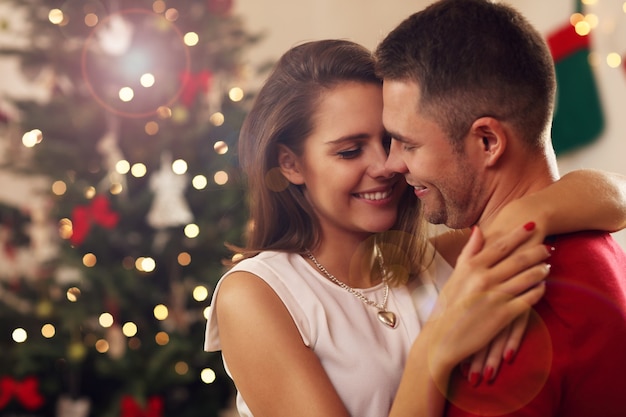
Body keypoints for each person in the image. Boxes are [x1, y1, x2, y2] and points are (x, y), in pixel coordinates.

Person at [204, 39, 626, 417]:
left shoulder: (436, 261)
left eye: (391, 141)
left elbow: (615, 197)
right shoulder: (256, 295)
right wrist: (435, 348)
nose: (386, 165)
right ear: (290, 164)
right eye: (350, 151)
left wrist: (523, 219)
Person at [375, 1, 626, 416]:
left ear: (487, 142)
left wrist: (430, 353)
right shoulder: (585, 236)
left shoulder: (510, 324)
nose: (390, 164)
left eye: (409, 143)